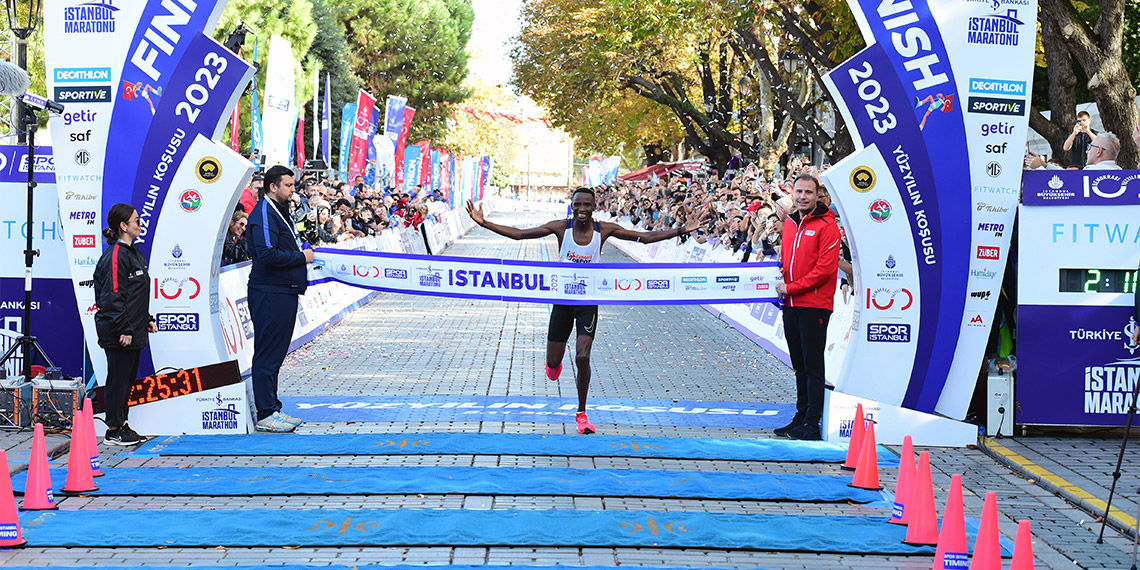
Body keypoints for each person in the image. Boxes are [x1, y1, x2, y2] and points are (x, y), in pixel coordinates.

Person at [466, 187, 705, 435]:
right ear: (572, 205)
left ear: (594, 207)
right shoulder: (561, 227)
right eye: (578, 204)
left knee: (582, 357)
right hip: (562, 303)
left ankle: (582, 413)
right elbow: (519, 234)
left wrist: (680, 230)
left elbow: (642, 238)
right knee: (553, 363)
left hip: (588, 303)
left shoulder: (604, 230)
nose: (582, 209)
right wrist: (483, 223)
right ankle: (553, 365)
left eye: (587, 205)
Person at [247, 165, 314, 433]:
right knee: (267, 353)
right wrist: (301, 257)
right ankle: (265, 412)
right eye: (288, 185)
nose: (293, 190)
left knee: (275, 353)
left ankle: (272, 406)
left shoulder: (280, 211)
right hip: (269, 292)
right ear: (273, 187)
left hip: (284, 290)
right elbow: (264, 254)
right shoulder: (264, 211)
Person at [774, 174, 841, 441]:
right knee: (799, 365)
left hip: (814, 305)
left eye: (808, 193)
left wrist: (791, 288)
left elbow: (825, 270)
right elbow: (786, 259)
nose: (802, 197)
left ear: (818, 197)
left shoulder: (828, 226)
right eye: (799, 192)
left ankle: (813, 423)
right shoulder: (790, 224)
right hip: (790, 304)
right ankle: (801, 417)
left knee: (813, 366)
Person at [93, 203, 157, 446]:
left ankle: (122, 424)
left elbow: (136, 295)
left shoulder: (135, 253)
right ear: (123, 226)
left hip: (134, 329)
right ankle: (113, 430)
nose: (139, 225)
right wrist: (124, 329)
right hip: (120, 332)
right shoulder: (116, 256)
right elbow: (112, 297)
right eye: (136, 221)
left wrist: (147, 319)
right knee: (118, 380)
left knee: (127, 381)